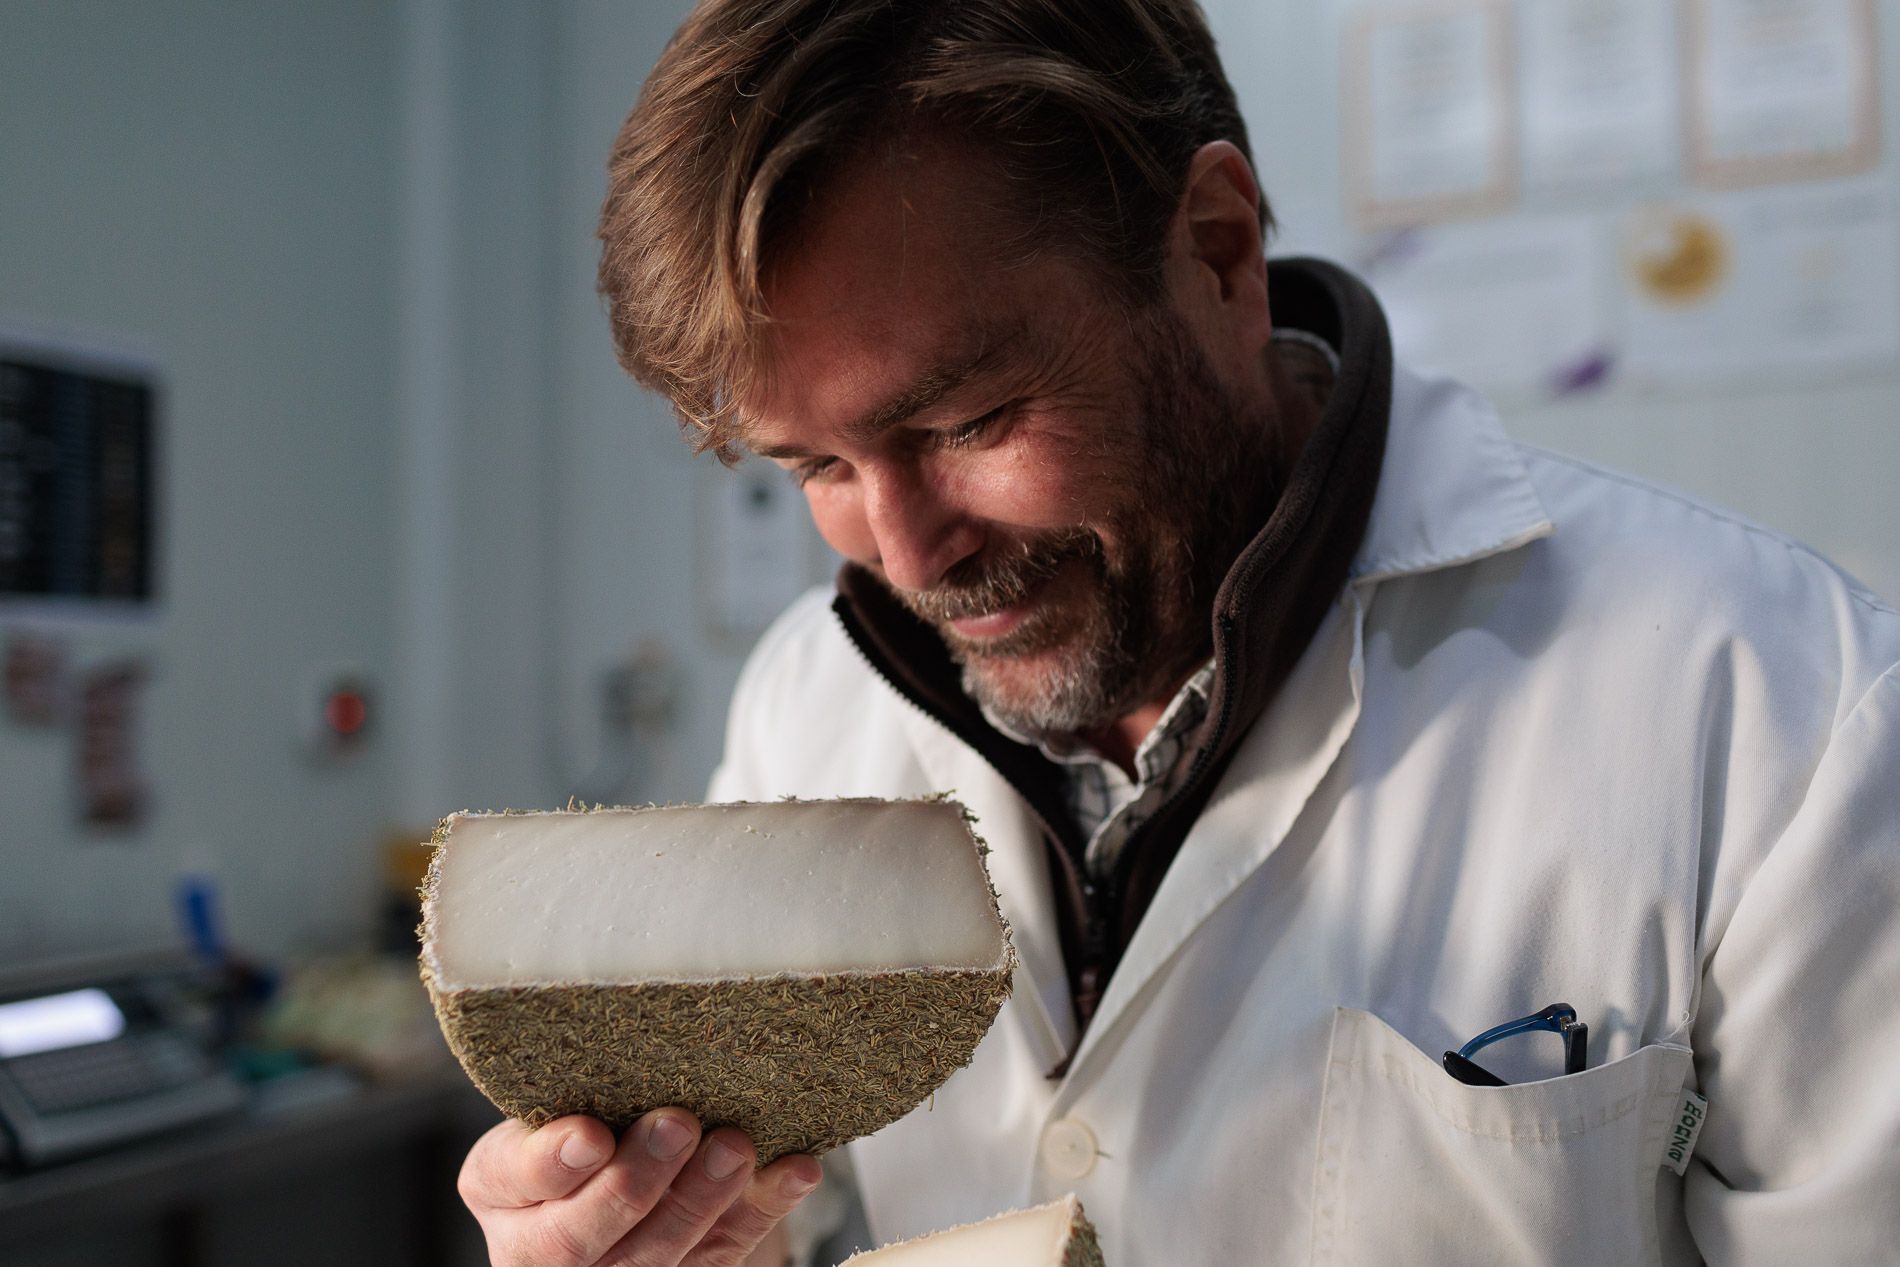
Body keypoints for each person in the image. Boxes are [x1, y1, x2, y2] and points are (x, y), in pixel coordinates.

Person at [456, 1, 1900, 1263]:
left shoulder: (1776, 709)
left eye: (968, 421)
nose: (908, 554)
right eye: (817, 469)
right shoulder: (806, 709)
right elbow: (805, 1226)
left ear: (1217, 249)